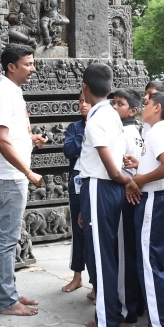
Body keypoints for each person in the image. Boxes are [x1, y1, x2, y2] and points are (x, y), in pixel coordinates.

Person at [0, 44, 47, 316]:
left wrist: (30, 139)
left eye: (32, 63)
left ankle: (9, 291)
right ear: (12, 67)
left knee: (11, 238)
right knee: (7, 240)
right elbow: (1, 140)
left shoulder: (13, 92)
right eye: (28, 64)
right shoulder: (3, 94)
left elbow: (10, 134)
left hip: (13, 175)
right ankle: (8, 301)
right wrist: (28, 172)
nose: (33, 69)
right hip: (9, 176)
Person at [74, 63, 130, 327]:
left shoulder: (96, 120)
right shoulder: (110, 114)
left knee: (100, 255)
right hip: (105, 188)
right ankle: (111, 315)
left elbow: (110, 166)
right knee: (107, 252)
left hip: (100, 185)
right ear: (110, 89)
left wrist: (127, 181)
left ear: (85, 87)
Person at [123, 92, 164, 327]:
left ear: (157, 108)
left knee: (150, 263)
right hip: (163, 198)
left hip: (155, 200)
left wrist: (138, 180)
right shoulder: (162, 131)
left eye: (147, 103)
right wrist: (140, 164)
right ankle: (159, 319)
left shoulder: (158, 131)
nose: (143, 106)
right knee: (162, 262)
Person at [114, 88, 146, 323]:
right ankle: (137, 303)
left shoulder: (124, 133)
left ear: (133, 111)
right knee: (132, 251)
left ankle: (126, 308)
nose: (115, 107)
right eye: (113, 103)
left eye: (120, 104)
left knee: (124, 254)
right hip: (135, 193)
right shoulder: (137, 131)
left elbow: (118, 167)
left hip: (126, 194)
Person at [61, 92, 91, 293]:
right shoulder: (75, 127)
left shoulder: (105, 124)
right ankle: (77, 276)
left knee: (94, 231)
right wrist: (84, 134)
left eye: (87, 101)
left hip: (97, 183)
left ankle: (96, 282)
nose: (83, 105)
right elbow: (69, 151)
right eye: (80, 101)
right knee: (78, 230)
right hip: (77, 183)